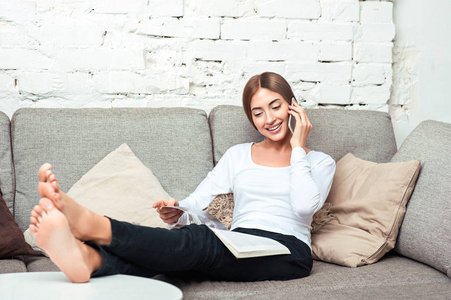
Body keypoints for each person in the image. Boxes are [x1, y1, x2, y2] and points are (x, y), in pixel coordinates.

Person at [29, 72, 336, 283]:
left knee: (201, 242)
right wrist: (177, 211)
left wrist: (298, 149)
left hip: (289, 252)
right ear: (251, 118)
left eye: (275, 106)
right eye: (258, 112)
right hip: (240, 240)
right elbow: (197, 203)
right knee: (186, 247)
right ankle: (89, 261)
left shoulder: (319, 162)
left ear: (293, 106)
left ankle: (97, 226)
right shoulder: (238, 155)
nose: (269, 119)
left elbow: (303, 208)